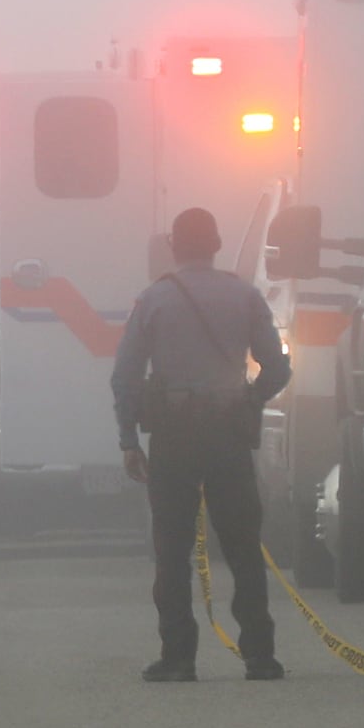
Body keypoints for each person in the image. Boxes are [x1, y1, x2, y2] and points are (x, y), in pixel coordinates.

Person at [111, 207, 292, 682]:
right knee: (242, 547)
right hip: (228, 433)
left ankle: (178, 658)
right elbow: (278, 367)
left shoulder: (153, 300)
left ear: (174, 247)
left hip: (172, 437)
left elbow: (126, 375)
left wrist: (129, 439)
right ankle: (260, 655)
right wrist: (249, 400)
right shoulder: (245, 295)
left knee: (171, 552)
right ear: (215, 244)